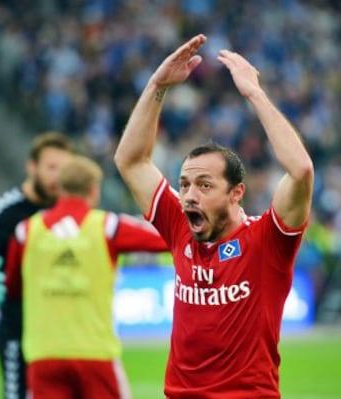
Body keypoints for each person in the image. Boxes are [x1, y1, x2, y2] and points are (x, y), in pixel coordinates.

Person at [114, 34, 314, 398]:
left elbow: (300, 171)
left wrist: (254, 93)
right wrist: (157, 86)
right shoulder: (180, 226)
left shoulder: (267, 241)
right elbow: (130, 161)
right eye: (184, 184)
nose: (189, 195)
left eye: (204, 186)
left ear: (237, 192)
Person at [5, 155, 168, 399]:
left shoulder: (26, 231)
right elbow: (169, 239)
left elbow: (14, 288)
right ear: (94, 190)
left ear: (58, 189)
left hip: (44, 354)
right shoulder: (107, 227)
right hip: (95, 354)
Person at [0, 131, 74, 399]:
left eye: (65, 169)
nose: (58, 176)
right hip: (18, 329)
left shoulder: (68, 209)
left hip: (60, 330)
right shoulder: (5, 212)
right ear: (32, 168)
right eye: (52, 168)